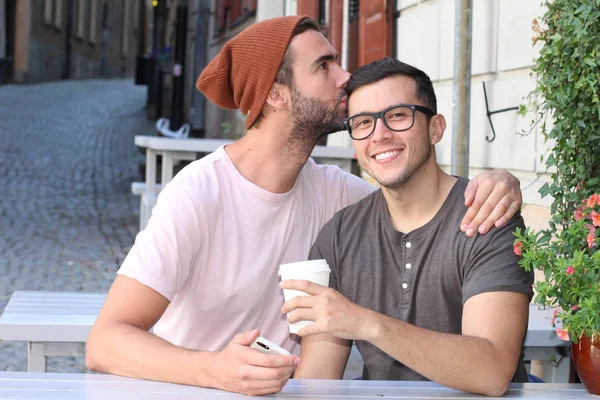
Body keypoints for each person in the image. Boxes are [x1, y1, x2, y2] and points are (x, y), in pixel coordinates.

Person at [86, 16, 524, 396]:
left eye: (397, 117)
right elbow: (104, 343)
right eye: (324, 65)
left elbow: (417, 197)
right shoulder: (198, 193)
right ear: (276, 94)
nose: (344, 76)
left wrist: (500, 184)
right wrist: (214, 369)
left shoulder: (337, 195)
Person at [282, 57, 534, 396]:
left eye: (398, 115)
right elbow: (316, 381)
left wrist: (366, 323)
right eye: (362, 123)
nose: (380, 135)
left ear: (435, 128)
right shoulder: (340, 235)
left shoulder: (487, 215)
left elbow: (493, 371)